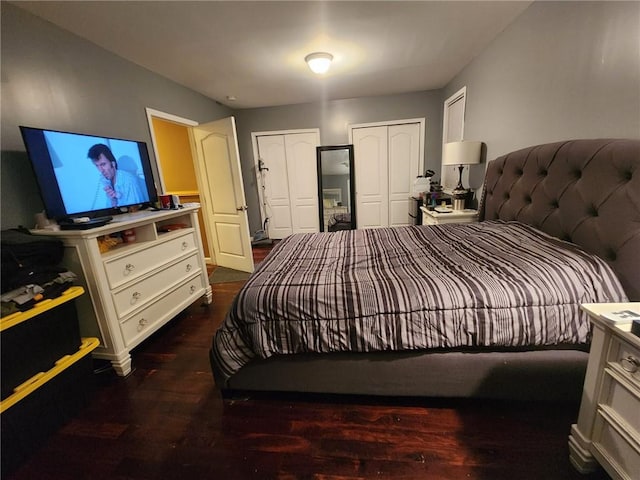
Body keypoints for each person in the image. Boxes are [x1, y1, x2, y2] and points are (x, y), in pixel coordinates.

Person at [88, 144, 145, 209]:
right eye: (97, 166)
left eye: (103, 164)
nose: (101, 170)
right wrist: (113, 200)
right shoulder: (107, 183)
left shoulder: (128, 180)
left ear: (113, 163)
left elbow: (135, 211)